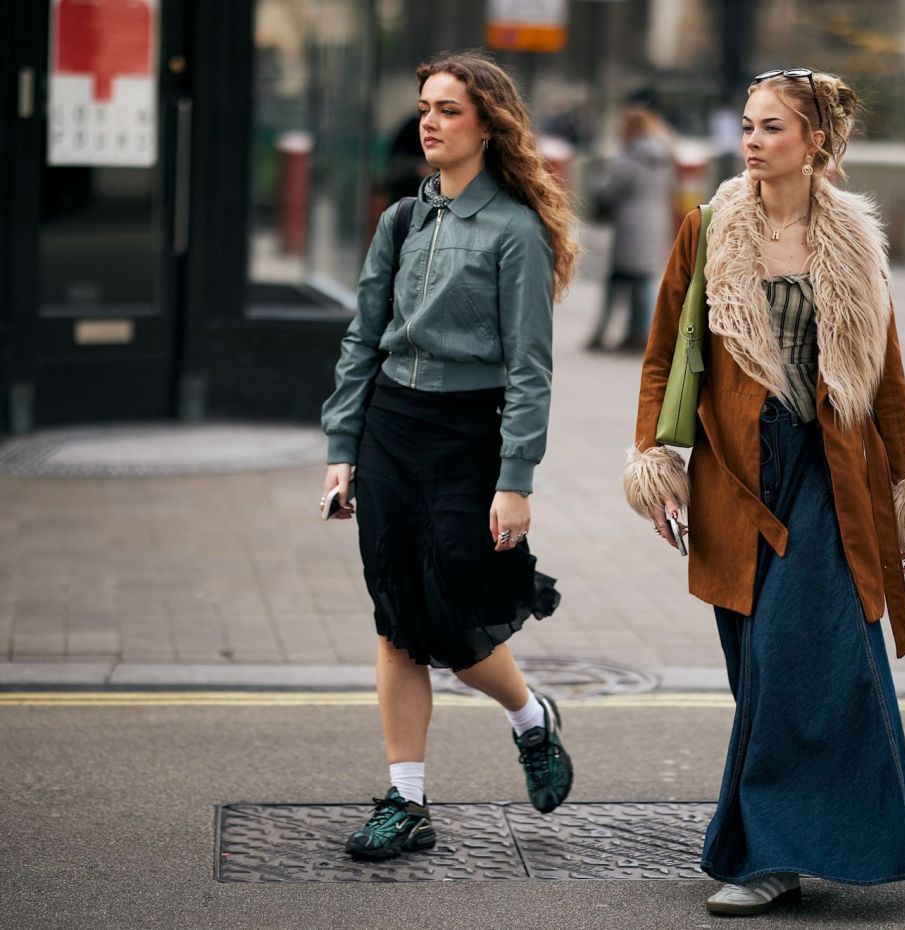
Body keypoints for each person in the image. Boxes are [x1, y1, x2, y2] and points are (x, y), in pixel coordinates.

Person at [623, 68, 905, 916]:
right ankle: (796, 840)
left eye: (771, 127)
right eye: (746, 125)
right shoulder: (706, 229)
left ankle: (766, 857)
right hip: (736, 474)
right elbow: (663, 354)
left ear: (815, 142)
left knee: (798, 653)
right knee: (758, 665)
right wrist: (654, 459)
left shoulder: (850, 241)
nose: (751, 140)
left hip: (830, 470)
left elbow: (885, 381)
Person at [320, 50, 579, 862]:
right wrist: (341, 449)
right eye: (426, 106)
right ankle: (407, 801)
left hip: (469, 433)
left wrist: (515, 481)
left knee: (458, 612)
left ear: (488, 125)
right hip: (391, 428)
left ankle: (531, 718)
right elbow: (363, 338)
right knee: (398, 618)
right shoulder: (402, 220)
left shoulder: (515, 232)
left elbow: (531, 371)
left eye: (449, 109)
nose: (429, 121)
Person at [586, 103, 677, 353]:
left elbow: (607, 190)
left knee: (618, 282)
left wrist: (600, 175)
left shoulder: (630, 158)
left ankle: (603, 333)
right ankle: (641, 334)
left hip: (630, 227)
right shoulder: (663, 157)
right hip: (656, 223)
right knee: (644, 282)